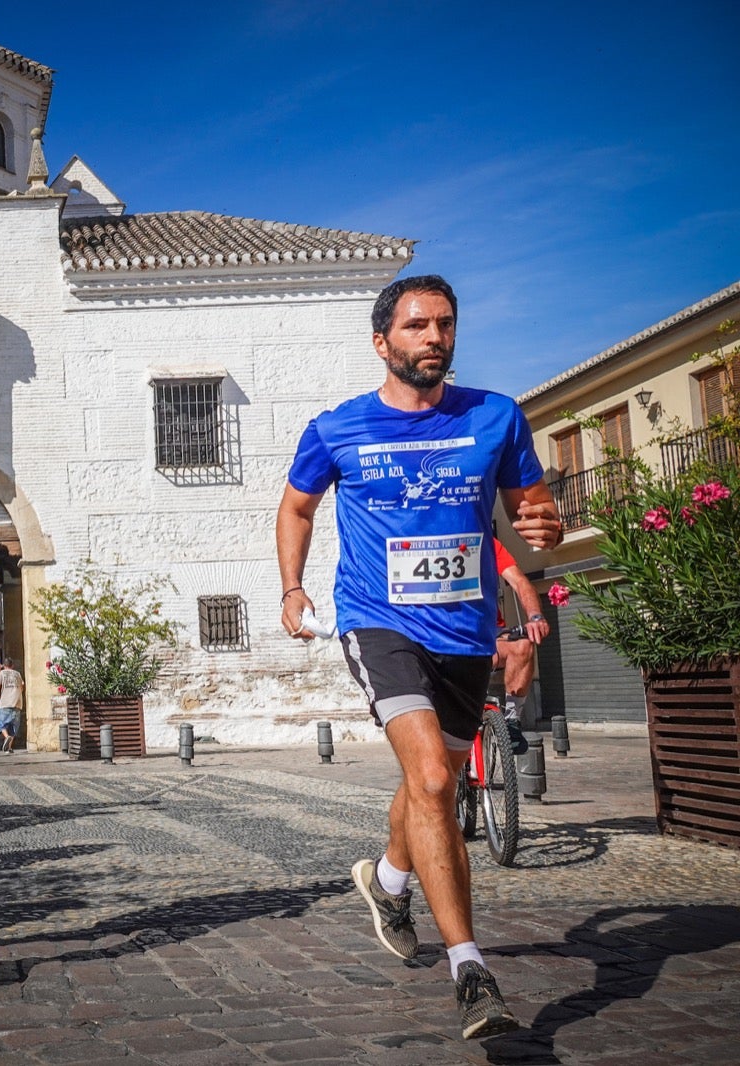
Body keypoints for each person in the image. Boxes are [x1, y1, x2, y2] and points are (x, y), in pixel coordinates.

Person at [275, 275, 561, 1040]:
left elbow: (532, 510)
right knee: (435, 776)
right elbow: (297, 505)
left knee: (427, 779)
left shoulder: (496, 417)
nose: (433, 337)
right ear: (383, 341)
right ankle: (470, 969)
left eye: (444, 324)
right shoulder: (338, 429)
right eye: (415, 326)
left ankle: (390, 879)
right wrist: (292, 587)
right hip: (380, 624)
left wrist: (546, 531)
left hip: (465, 632)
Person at [491, 536, 550, 744]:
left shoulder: (488, 543)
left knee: (523, 644)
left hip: (490, 634)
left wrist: (535, 616)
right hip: (442, 633)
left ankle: (512, 720)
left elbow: (520, 582)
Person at [0, 658, 24, 753]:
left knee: (2, 723)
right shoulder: (17, 674)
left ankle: (6, 737)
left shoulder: (1, 674)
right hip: (17, 702)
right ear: (13, 665)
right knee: (13, 727)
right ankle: (9, 748)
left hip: (5, 702)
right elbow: (22, 687)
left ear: (4, 665)